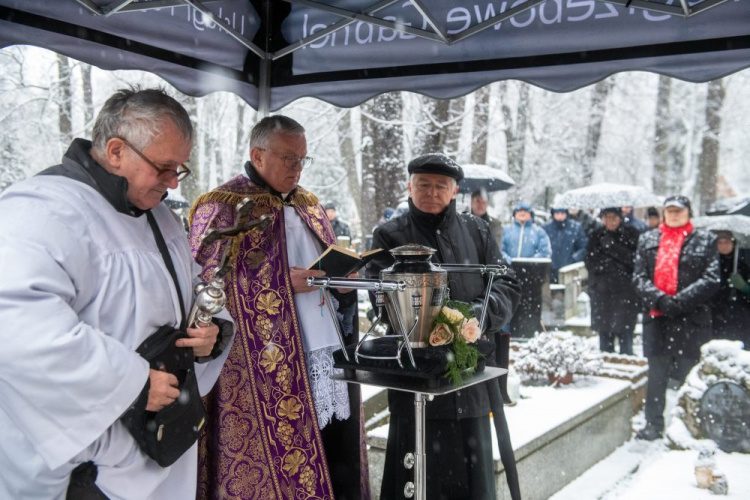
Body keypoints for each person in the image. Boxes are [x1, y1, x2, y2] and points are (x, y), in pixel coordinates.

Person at [0, 87, 232, 499]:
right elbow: (17, 328)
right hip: (87, 467)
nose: (173, 183)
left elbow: (193, 288)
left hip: (160, 445)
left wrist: (210, 333)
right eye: (163, 167)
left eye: (180, 169)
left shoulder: (160, 217)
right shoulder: (38, 210)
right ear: (115, 150)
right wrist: (132, 382)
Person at [189, 115, 368, 499]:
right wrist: (282, 284)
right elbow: (205, 288)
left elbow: (328, 260)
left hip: (324, 351)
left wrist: (343, 283)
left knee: (335, 453)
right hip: (263, 362)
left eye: (303, 159)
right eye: (289, 159)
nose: (297, 168)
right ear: (257, 154)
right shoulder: (222, 208)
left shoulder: (310, 205)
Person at [367, 153, 522, 500]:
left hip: (472, 375)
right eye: (424, 184)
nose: (432, 193)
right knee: (419, 475)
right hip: (416, 378)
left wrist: (480, 316)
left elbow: (506, 283)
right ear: (410, 187)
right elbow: (380, 299)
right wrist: (435, 322)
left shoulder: (477, 229)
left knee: (473, 477)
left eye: (441, 186)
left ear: (454, 191)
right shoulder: (390, 234)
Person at [633, 195, 720, 441]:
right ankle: (653, 425)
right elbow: (639, 278)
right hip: (657, 318)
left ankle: (690, 427)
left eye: (678, 211)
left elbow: (711, 279)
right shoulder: (648, 239)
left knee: (689, 374)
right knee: (657, 376)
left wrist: (680, 301)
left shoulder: (705, 240)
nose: (673, 215)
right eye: (669, 211)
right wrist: (661, 300)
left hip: (691, 319)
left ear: (688, 213)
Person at [585, 208, 640, 355]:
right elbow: (589, 262)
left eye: (614, 217)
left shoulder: (632, 234)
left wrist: (614, 248)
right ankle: (606, 364)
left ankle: (627, 364)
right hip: (602, 291)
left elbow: (635, 260)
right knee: (605, 332)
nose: (611, 220)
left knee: (625, 332)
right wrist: (604, 266)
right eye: (607, 217)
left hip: (625, 291)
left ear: (620, 217)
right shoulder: (596, 236)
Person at [710, 231, 750, 349]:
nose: (724, 245)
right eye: (720, 242)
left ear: (733, 244)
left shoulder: (742, 265)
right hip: (716, 313)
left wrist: (744, 287)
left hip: (740, 314)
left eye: (727, 242)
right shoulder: (711, 265)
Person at [542, 207, 587, 283]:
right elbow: (541, 246)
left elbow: (583, 246)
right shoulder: (546, 228)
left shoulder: (575, 227)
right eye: (557, 214)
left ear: (566, 214)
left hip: (569, 268)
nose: (560, 216)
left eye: (562, 214)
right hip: (550, 269)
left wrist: (574, 258)